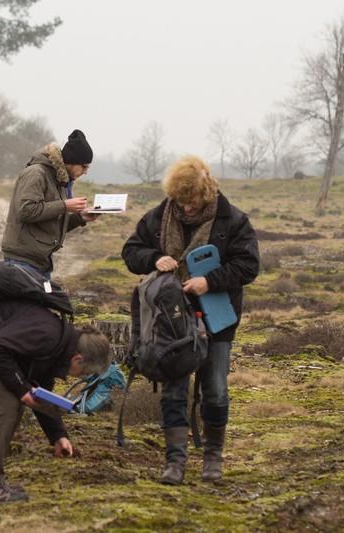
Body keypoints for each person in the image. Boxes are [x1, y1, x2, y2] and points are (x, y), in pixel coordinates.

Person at [121, 155, 259, 485]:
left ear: (206, 192)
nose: (186, 208)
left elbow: (248, 266)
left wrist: (209, 280)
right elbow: (130, 252)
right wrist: (156, 258)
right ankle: (175, 462)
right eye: (181, 201)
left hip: (218, 319)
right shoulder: (160, 216)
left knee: (214, 389)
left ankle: (213, 458)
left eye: (191, 201)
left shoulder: (232, 220)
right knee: (173, 389)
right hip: (171, 321)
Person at [0, 301, 111, 503]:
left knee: (13, 402)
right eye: (84, 372)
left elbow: (41, 392)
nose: (79, 377)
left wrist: (58, 436)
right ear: (78, 359)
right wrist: (21, 389)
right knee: (5, 406)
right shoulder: (47, 335)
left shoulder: (57, 346)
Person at [1, 129, 100, 279]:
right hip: (21, 261)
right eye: (84, 166)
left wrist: (81, 217)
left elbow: (51, 223)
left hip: (40, 261)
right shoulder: (36, 173)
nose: (85, 172)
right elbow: (27, 211)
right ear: (72, 161)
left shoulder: (60, 181)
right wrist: (65, 205)